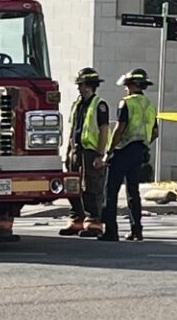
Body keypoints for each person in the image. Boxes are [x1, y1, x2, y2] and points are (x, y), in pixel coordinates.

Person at [99, 68, 157, 243]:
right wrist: (144, 144)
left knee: (111, 191)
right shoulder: (149, 104)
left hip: (123, 150)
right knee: (133, 191)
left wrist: (109, 151)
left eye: (127, 85)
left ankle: (111, 231)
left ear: (132, 85)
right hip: (139, 151)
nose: (125, 88)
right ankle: (136, 230)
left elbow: (119, 128)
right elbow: (155, 132)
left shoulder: (126, 103)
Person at [60, 68, 111, 238]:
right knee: (72, 186)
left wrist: (100, 154)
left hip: (90, 152)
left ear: (89, 86)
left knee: (91, 187)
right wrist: (67, 151)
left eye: (81, 84)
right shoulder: (78, 104)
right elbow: (74, 129)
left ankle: (94, 222)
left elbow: (104, 130)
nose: (78, 88)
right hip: (76, 150)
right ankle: (76, 219)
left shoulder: (99, 105)